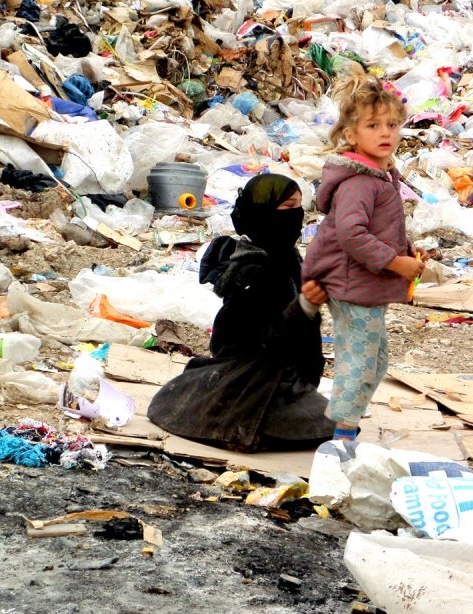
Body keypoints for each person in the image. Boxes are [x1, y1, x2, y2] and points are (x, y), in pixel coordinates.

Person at [147, 173, 334, 453]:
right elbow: (251, 338)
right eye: (287, 207)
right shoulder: (251, 268)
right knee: (330, 425)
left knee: (335, 420)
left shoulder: (288, 258)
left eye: (299, 206)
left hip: (282, 373)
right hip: (249, 375)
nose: (296, 215)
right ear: (264, 213)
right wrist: (304, 308)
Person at [302, 68, 423, 442]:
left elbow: (377, 229)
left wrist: (407, 252)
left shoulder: (380, 176)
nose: (385, 133)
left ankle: (344, 424)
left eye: (391, 124)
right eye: (373, 126)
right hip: (353, 285)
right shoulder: (358, 182)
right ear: (351, 135)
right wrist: (395, 261)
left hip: (364, 283)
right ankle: (342, 434)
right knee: (360, 362)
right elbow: (352, 233)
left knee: (376, 359)